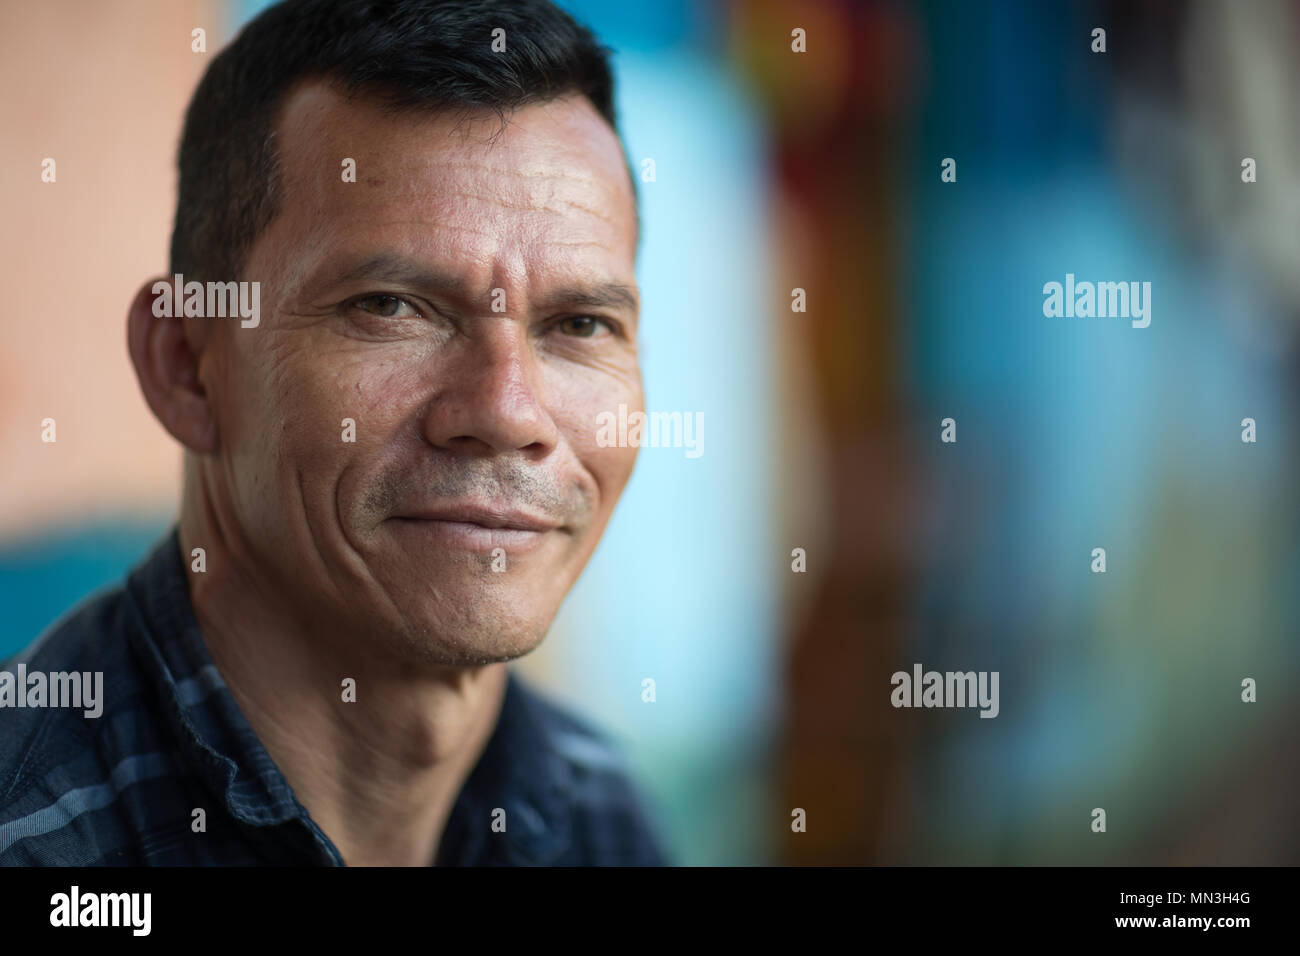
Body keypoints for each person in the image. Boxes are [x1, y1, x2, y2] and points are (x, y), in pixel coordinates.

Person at [0, 0, 666, 866]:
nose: (508, 412)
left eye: (579, 325)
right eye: (389, 308)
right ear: (185, 365)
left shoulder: (597, 811)